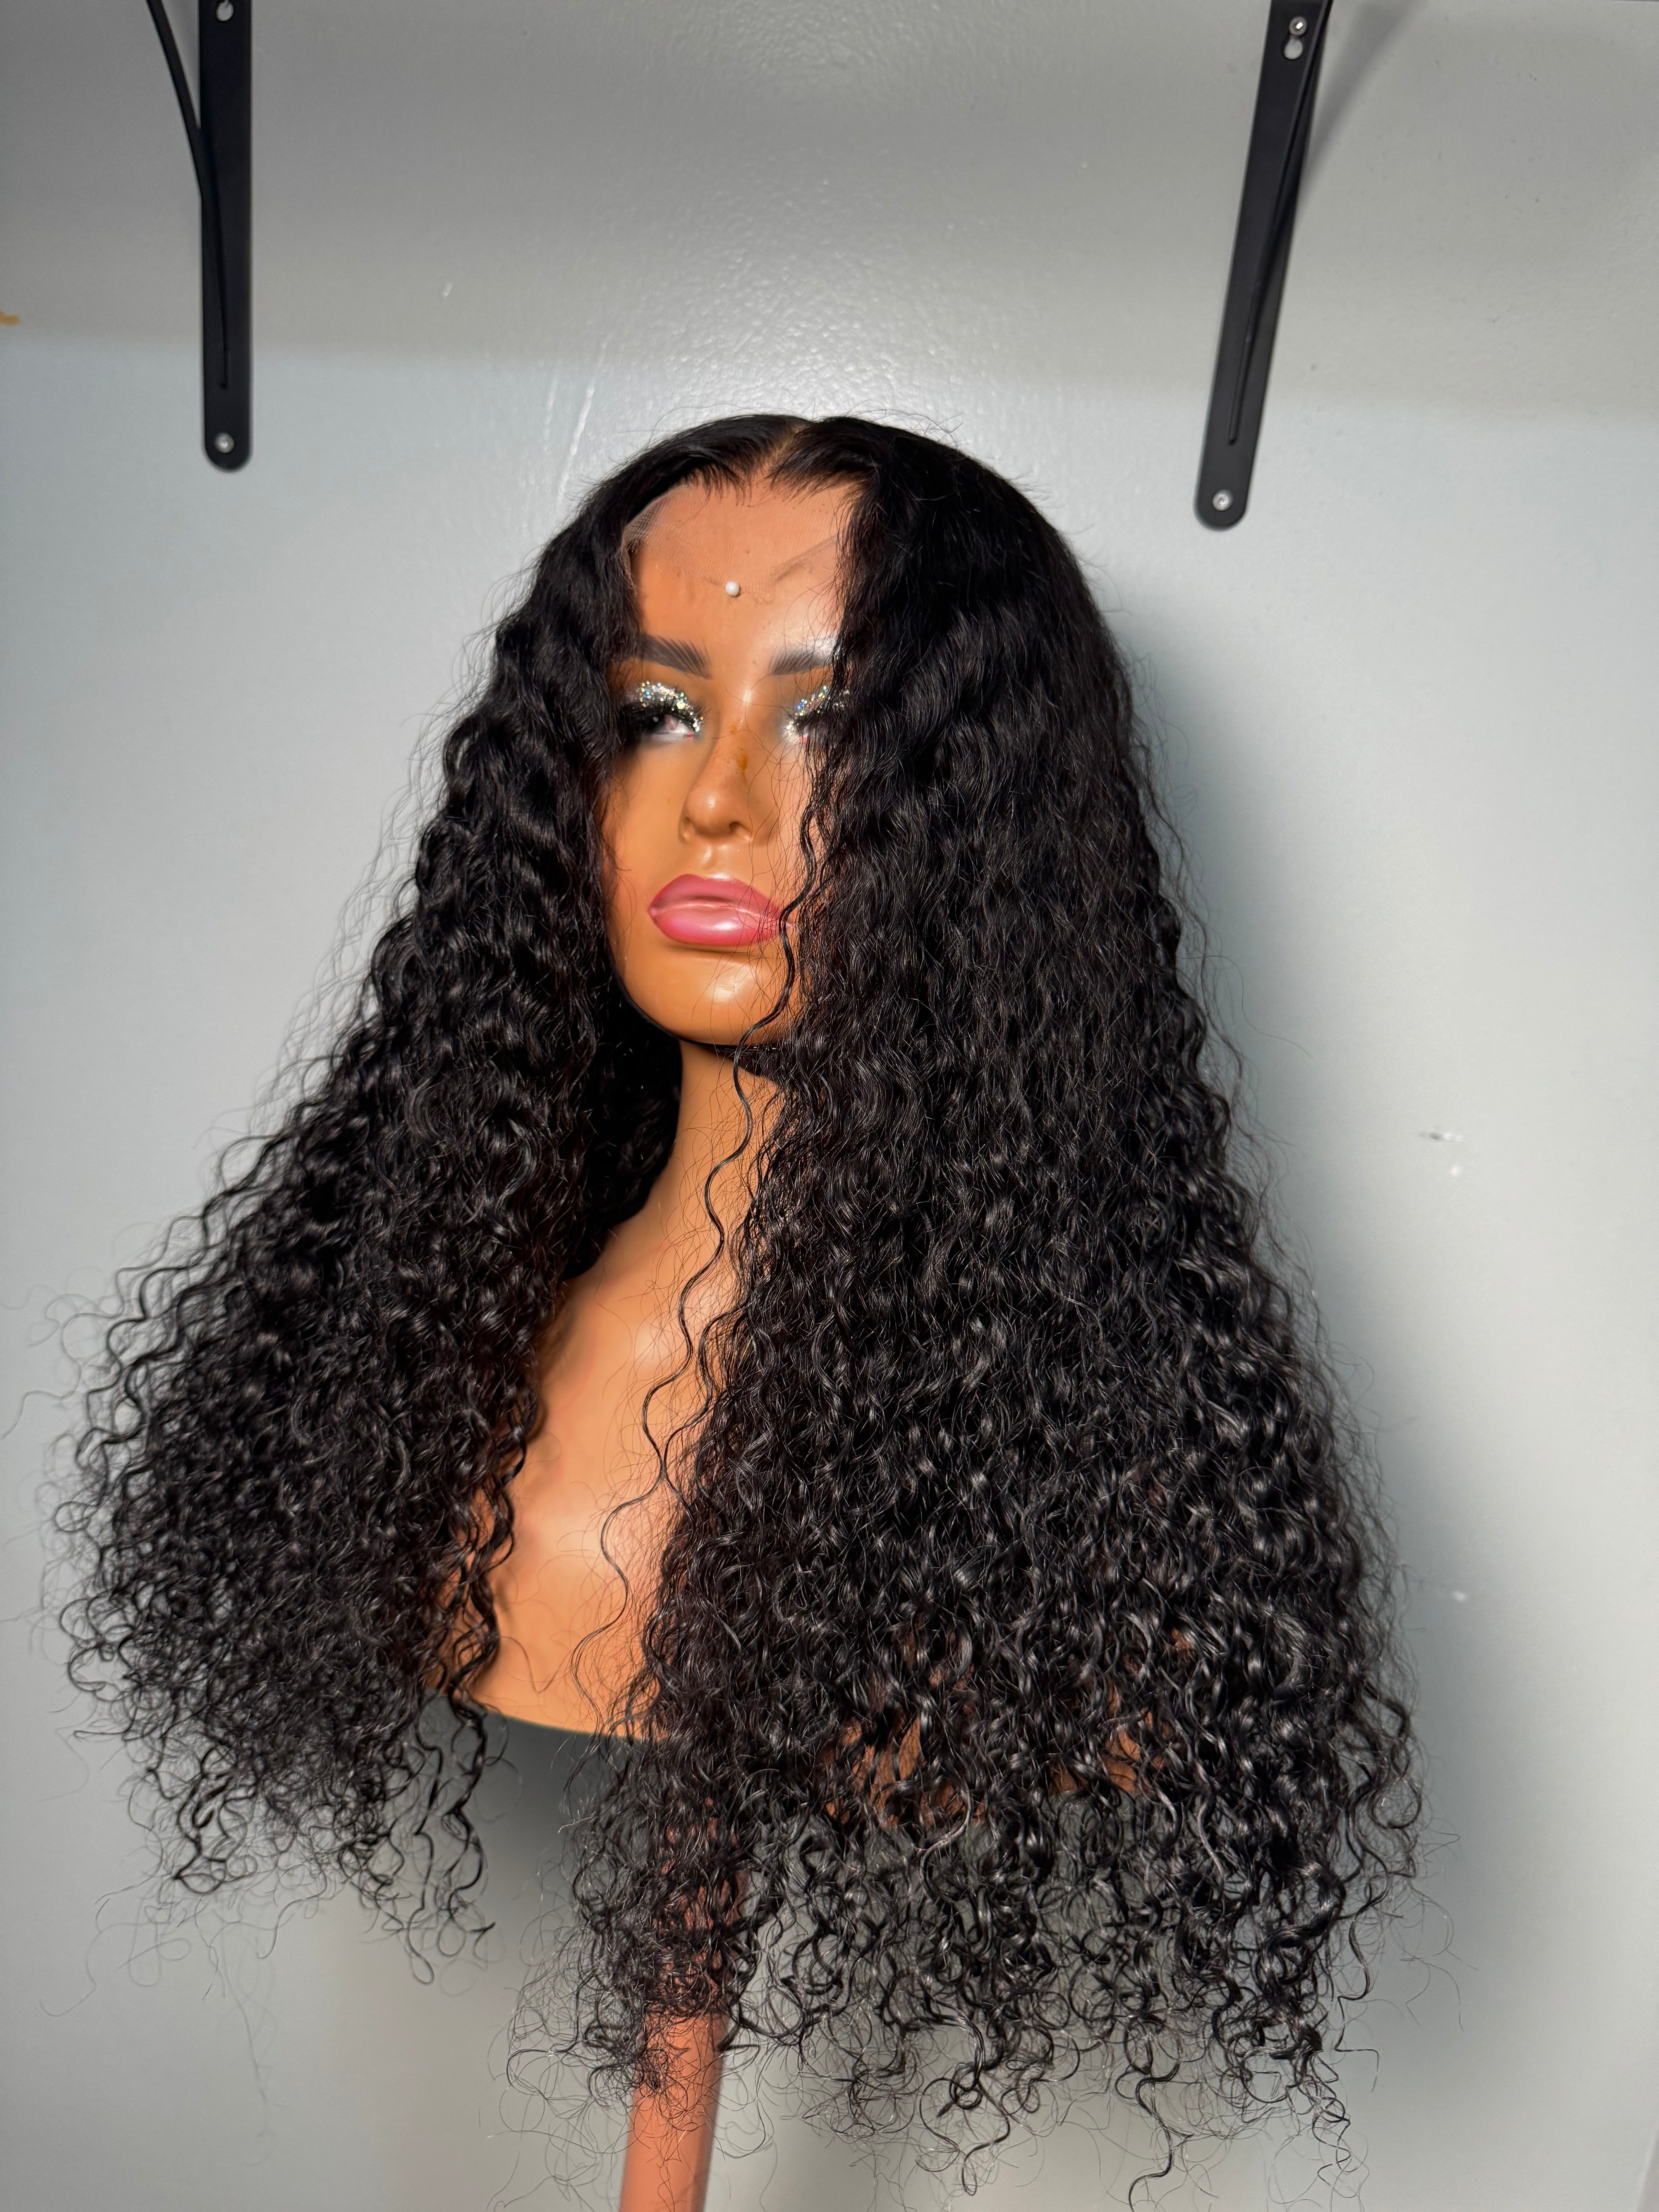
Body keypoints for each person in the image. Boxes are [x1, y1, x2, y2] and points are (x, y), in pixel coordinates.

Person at [62, 415, 1419, 2210]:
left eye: (826, 723)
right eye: (655, 710)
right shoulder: (428, 1407)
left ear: (982, 813)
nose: (716, 800)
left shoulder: (1090, 1501)